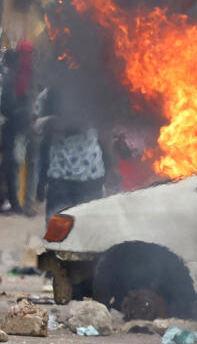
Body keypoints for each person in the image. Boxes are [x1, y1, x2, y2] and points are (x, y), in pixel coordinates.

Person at [33, 82, 117, 220]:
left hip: (87, 176)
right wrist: (50, 122)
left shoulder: (93, 95)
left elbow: (104, 132)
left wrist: (110, 166)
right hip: (64, 177)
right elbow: (35, 124)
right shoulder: (49, 95)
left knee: (82, 231)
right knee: (64, 232)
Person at [0, 48, 27, 214]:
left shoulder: (6, 77)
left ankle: (10, 201)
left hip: (6, 125)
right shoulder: (9, 78)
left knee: (8, 163)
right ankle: (9, 201)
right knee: (9, 164)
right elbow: (6, 104)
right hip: (7, 126)